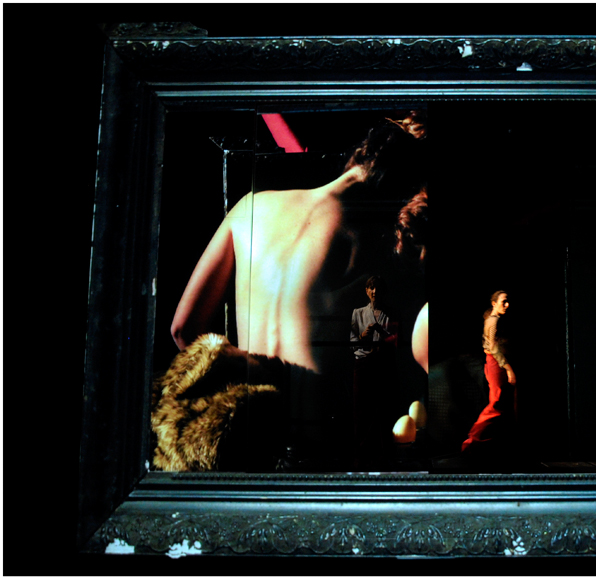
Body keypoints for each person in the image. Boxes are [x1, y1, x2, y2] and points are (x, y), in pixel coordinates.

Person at [154, 111, 429, 471]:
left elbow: (183, 329)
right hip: (322, 450)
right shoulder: (378, 244)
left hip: (246, 443)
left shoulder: (250, 207)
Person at [460, 290, 518, 457]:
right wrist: (508, 369)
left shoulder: (496, 319)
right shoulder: (493, 321)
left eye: (507, 301)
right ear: (494, 303)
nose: (507, 305)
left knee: (505, 404)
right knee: (496, 403)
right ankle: (472, 440)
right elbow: (492, 347)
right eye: (503, 301)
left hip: (500, 362)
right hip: (496, 363)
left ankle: (496, 445)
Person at [349, 275, 398, 466]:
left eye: (377, 287)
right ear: (366, 291)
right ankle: (361, 453)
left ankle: (381, 454)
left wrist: (381, 332)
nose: (374, 291)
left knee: (381, 409)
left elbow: (395, 341)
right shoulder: (358, 313)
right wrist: (363, 336)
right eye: (371, 287)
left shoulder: (391, 313)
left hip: (382, 365)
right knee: (361, 409)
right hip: (363, 364)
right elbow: (353, 344)